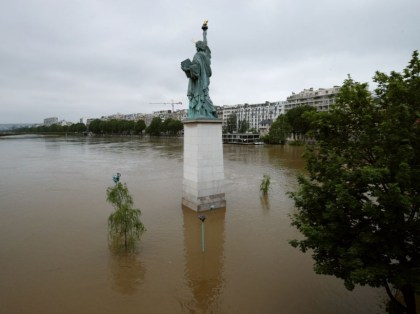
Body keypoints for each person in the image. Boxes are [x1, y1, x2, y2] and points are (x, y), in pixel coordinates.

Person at [181, 22, 217, 119]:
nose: (196, 48)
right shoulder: (206, 55)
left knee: (199, 96)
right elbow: (206, 43)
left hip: (199, 81)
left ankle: (201, 111)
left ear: (198, 47)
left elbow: (196, 69)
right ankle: (206, 111)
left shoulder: (198, 55)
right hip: (202, 80)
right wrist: (204, 32)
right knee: (204, 96)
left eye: (196, 46)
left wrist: (187, 68)